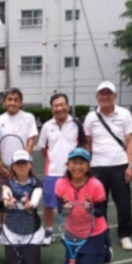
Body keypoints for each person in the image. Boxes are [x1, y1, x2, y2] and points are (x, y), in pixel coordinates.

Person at [84, 81, 132, 251]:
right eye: (101, 93)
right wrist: (87, 167)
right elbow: (88, 143)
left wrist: (130, 166)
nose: (105, 97)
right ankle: (102, 234)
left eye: (108, 93)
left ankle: (125, 235)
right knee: (99, 204)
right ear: (96, 97)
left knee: (123, 203)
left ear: (115, 96)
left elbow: (130, 141)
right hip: (97, 167)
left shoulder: (125, 114)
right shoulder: (90, 117)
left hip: (120, 165)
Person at [54, 147, 112, 264]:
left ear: (88, 166)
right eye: (74, 163)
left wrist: (91, 209)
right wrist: (66, 209)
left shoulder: (96, 185)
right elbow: (60, 210)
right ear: (67, 165)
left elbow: (101, 211)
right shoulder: (60, 183)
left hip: (94, 232)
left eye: (82, 163)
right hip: (73, 232)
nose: (77, 167)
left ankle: (105, 251)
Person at [37, 93, 86, 245]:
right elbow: (43, 148)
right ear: (52, 108)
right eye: (55, 105)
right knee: (48, 205)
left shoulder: (77, 124)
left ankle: (72, 231)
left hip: (73, 174)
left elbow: (82, 146)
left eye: (62, 105)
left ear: (68, 106)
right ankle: (49, 232)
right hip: (51, 173)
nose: (59, 108)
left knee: (73, 204)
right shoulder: (46, 126)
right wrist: (54, 160)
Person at [0, 87, 39, 242]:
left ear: (21, 102)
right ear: (4, 102)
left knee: (26, 200)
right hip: (4, 171)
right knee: (3, 202)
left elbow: (31, 141)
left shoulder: (28, 117)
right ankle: (2, 228)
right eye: (9, 99)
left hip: (23, 171)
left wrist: (23, 165)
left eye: (16, 100)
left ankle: (27, 228)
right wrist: (1, 166)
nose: (12, 102)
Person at [0, 149, 44, 264]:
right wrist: (8, 203)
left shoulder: (37, 183)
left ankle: (29, 249)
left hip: (32, 231)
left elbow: (35, 198)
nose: (22, 166)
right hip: (12, 230)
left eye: (25, 163)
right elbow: (6, 193)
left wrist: (31, 204)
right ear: (13, 166)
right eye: (18, 163)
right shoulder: (6, 182)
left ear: (30, 164)